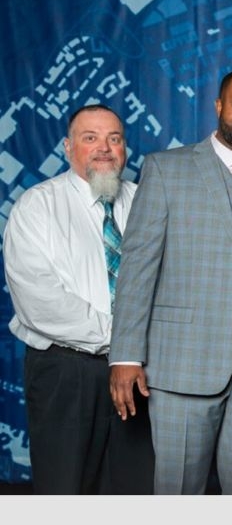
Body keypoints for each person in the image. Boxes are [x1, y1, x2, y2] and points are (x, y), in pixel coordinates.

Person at [108, 68, 232, 494]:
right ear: (218, 107)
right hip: (183, 363)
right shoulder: (166, 169)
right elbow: (137, 266)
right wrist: (125, 355)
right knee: (179, 492)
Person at [3, 104, 154, 494]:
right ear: (69, 148)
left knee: (134, 490)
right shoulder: (38, 206)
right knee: (65, 490)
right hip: (66, 372)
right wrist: (125, 343)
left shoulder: (148, 203)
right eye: (91, 138)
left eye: (114, 139)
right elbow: (41, 303)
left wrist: (132, 354)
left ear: (125, 149)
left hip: (140, 372)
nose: (104, 148)